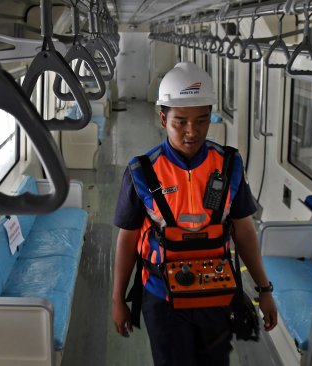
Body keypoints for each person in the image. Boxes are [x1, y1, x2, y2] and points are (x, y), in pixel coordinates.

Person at [111, 62, 278, 366]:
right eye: (181, 122)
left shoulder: (229, 166)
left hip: (216, 294)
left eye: (202, 121)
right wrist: (117, 298)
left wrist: (264, 289)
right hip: (161, 296)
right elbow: (127, 239)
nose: (192, 131)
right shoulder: (141, 173)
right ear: (163, 118)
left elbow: (244, 232)